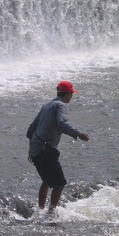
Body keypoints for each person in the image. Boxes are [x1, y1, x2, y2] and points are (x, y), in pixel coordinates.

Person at [27, 80, 89, 212]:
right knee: (60, 183)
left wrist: (31, 149)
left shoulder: (46, 105)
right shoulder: (60, 106)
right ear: (68, 94)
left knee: (47, 180)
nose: (72, 96)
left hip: (36, 148)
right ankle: (51, 212)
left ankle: (41, 209)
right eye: (72, 94)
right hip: (45, 148)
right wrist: (78, 134)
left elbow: (30, 130)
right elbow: (61, 123)